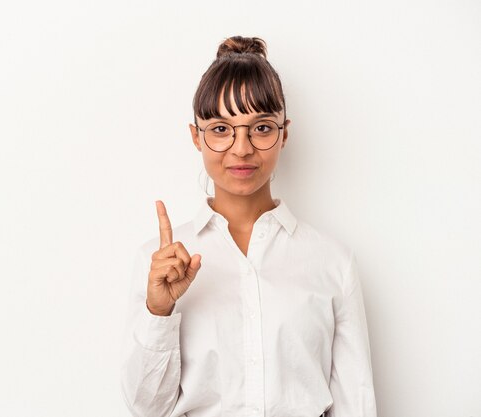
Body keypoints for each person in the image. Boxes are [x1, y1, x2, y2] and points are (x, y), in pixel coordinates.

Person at [119, 35, 377, 417]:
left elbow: (357, 405)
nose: (241, 148)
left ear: (284, 133)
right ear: (197, 137)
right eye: (221, 129)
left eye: (260, 128)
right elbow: (145, 409)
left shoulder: (332, 263)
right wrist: (160, 311)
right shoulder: (159, 264)